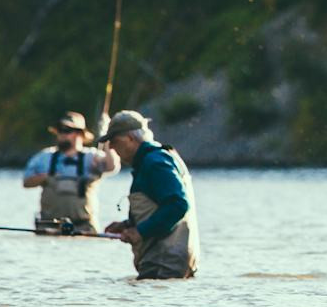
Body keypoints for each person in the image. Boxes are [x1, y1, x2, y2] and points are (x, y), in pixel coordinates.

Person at [100, 110, 199, 280]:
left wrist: (140, 231)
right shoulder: (154, 159)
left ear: (130, 138)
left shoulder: (154, 163)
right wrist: (128, 225)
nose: (111, 148)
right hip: (169, 262)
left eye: (114, 141)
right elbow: (158, 207)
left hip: (164, 262)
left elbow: (178, 205)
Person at [21, 110, 120, 234]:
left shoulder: (92, 157)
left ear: (80, 134)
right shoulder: (44, 157)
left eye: (67, 131)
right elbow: (26, 182)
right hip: (49, 227)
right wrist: (44, 177)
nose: (62, 134)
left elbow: (112, 167)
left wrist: (107, 139)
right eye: (60, 130)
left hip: (84, 228)